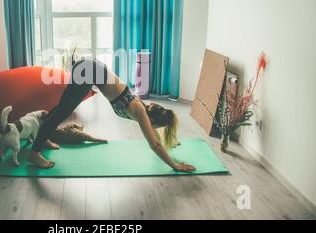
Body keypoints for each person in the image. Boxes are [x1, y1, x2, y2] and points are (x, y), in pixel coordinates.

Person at [28, 56, 196, 172]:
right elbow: (154, 144)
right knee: (62, 111)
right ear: (152, 120)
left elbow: (155, 139)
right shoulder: (139, 110)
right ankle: (34, 153)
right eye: (156, 126)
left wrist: (170, 145)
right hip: (89, 70)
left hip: (90, 67)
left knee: (61, 109)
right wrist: (174, 165)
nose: (153, 129)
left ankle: (44, 138)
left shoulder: (143, 108)